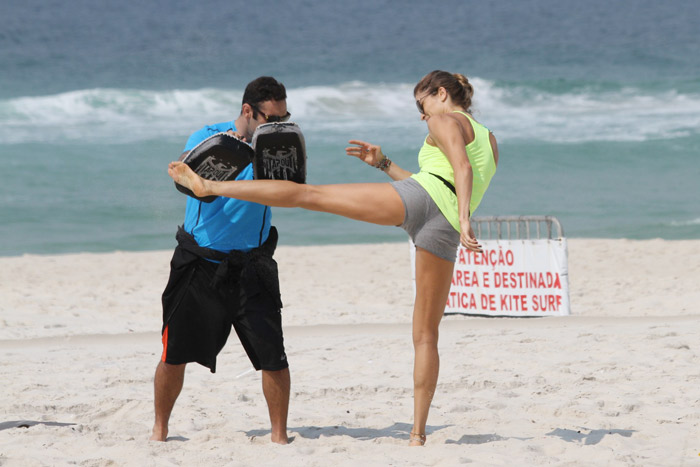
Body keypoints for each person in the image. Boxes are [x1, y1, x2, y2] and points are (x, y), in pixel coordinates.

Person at [168, 70, 499, 446]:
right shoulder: (490, 139)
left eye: (422, 106)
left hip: (432, 206)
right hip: (443, 220)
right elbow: (444, 182)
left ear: (440, 93)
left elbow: (460, 167)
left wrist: (468, 220)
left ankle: (209, 184)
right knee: (426, 334)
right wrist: (385, 164)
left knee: (310, 195)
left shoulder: (443, 119)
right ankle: (417, 435)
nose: (424, 117)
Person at [151, 76, 292, 445]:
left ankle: (279, 437)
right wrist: (186, 165)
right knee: (173, 353)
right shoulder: (209, 136)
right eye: (271, 118)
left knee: (273, 356)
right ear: (248, 110)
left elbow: (292, 190)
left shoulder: (276, 146)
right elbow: (183, 171)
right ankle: (159, 430)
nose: (277, 126)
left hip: (253, 265)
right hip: (201, 264)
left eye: (283, 117)